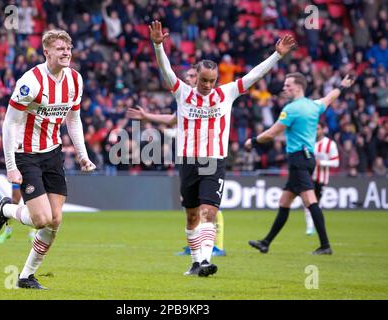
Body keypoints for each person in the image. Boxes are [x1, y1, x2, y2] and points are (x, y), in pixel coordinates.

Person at [149, 20, 296, 276]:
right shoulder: (182, 92)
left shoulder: (226, 93)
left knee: (209, 212)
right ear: (197, 76)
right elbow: (166, 69)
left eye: (212, 81)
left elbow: (255, 75)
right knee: (192, 216)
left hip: (214, 160)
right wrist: (157, 46)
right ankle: (195, 262)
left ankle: (205, 261)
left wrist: (276, 56)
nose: (207, 85)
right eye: (204, 80)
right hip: (187, 160)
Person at [0, 29, 96, 289]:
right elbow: (8, 123)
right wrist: (11, 167)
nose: (66, 52)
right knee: (40, 219)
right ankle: (5, 209)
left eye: (68, 48)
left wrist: (82, 154)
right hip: (26, 154)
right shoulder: (31, 82)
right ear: (46, 52)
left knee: (55, 220)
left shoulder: (75, 80)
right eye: (60, 49)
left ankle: (25, 276)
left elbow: (73, 118)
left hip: (53, 153)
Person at [246, 73, 354, 255]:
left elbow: (272, 133)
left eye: (288, 85)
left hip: (299, 159)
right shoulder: (313, 105)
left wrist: (253, 141)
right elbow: (330, 97)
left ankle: (325, 246)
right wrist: (342, 86)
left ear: (298, 87)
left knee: (310, 201)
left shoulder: (291, 109)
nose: (284, 88)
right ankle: (265, 242)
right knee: (285, 200)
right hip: (307, 158)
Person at [127, 66, 226, 257]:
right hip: (188, 159)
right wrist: (147, 116)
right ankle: (198, 248)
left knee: (209, 208)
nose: (188, 78)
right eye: (187, 76)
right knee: (193, 208)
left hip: (209, 156)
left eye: (191, 75)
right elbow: (173, 119)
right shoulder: (186, 99)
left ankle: (214, 247)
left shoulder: (212, 99)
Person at [304, 123, 339, 235]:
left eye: (317, 129)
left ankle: (316, 226)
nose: (315, 131)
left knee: (317, 204)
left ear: (323, 129)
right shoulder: (308, 142)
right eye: (313, 129)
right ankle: (309, 226)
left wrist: (321, 163)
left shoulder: (330, 144)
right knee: (307, 201)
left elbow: (336, 162)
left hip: (322, 179)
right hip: (308, 177)